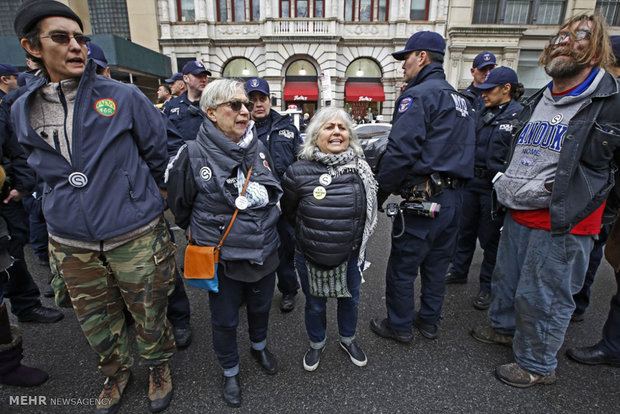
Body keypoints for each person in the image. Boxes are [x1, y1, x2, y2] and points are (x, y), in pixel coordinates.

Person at [12, 1, 177, 411]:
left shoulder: (122, 96)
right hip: (70, 240)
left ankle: (157, 366)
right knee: (96, 320)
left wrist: (147, 194)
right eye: (61, 37)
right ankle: (115, 374)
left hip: (134, 233)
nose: (76, 46)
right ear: (31, 47)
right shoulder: (21, 109)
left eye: (80, 38)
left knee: (149, 308)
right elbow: (33, 165)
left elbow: (158, 151)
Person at [471, 14, 620, 388]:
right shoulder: (541, 96)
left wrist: (598, 204)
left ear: (598, 47)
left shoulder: (611, 100)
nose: (565, 40)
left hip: (562, 221)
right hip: (518, 211)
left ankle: (537, 364)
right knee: (508, 282)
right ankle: (505, 329)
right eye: (561, 35)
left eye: (580, 35)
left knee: (545, 296)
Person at [167, 79, 282, 408]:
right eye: (234, 105)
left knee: (260, 309)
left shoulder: (258, 146)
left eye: (245, 104)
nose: (244, 111)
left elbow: (273, 185)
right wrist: (210, 233)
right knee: (225, 320)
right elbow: (180, 207)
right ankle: (230, 371)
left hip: (264, 250)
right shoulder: (192, 154)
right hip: (223, 257)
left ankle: (259, 348)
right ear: (212, 112)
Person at [369, 31, 475, 342]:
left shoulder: (418, 95)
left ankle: (400, 326)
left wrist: (378, 193)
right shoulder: (463, 100)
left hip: (424, 199)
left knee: (403, 267)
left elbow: (401, 151)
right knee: (437, 265)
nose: (403, 66)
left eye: (406, 58)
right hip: (456, 199)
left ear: (423, 57)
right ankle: (428, 321)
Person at [281, 107, 377, 371]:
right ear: (315, 135)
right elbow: (289, 213)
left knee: (350, 300)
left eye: (342, 128)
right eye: (329, 127)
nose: (336, 132)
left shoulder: (362, 170)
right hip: (309, 254)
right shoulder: (297, 171)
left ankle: (348, 339)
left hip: (351, 254)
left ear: (350, 135)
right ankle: (316, 343)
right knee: (314, 304)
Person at [445, 67, 523, 311]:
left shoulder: (519, 115)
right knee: (463, 232)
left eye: (489, 90)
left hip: (494, 187)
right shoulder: (478, 111)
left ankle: (487, 287)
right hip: (471, 183)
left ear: (506, 89)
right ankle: (459, 270)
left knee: (491, 240)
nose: (484, 94)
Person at [565, 35, 620, 366]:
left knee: (586, 256)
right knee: (595, 256)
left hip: (601, 202)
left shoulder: (611, 101)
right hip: (605, 204)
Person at [0, 60, 62, 323]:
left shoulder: (5, 109)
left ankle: (26, 305)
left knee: (12, 252)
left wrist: (20, 187)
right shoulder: (15, 103)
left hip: (7, 196)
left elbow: (14, 150)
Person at [0, 74, 49, 388]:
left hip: (4, 206)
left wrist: (19, 184)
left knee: (8, 264)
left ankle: (6, 365)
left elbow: (15, 148)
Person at [245, 77, 300, 312]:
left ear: (270, 100)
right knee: (251, 252)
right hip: (252, 204)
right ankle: (250, 291)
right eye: (252, 100)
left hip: (284, 204)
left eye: (262, 99)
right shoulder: (240, 128)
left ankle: (289, 290)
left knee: (285, 251)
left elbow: (301, 161)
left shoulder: (287, 127)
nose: (258, 104)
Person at [163, 61, 210, 143]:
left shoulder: (213, 104)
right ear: (186, 78)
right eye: (199, 76)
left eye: (205, 76)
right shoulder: (171, 106)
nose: (204, 80)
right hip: (181, 153)